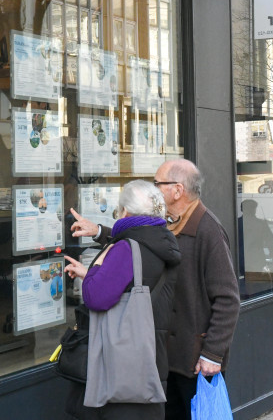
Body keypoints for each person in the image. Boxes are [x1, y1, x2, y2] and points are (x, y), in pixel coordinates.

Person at [71, 160, 240, 420]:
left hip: (194, 360)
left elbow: (228, 299)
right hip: (163, 356)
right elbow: (145, 245)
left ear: (177, 190)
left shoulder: (208, 230)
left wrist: (212, 354)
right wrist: (100, 232)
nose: (154, 189)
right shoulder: (171, 223)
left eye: (157, 183)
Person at [64, 180, 181, 420]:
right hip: (149, 354)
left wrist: (96, 267)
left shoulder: (126, 247)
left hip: (121, 366)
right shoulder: (162, 240)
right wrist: (94, 273)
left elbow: (95, 297)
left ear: (125, 211)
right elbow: (136, 281)